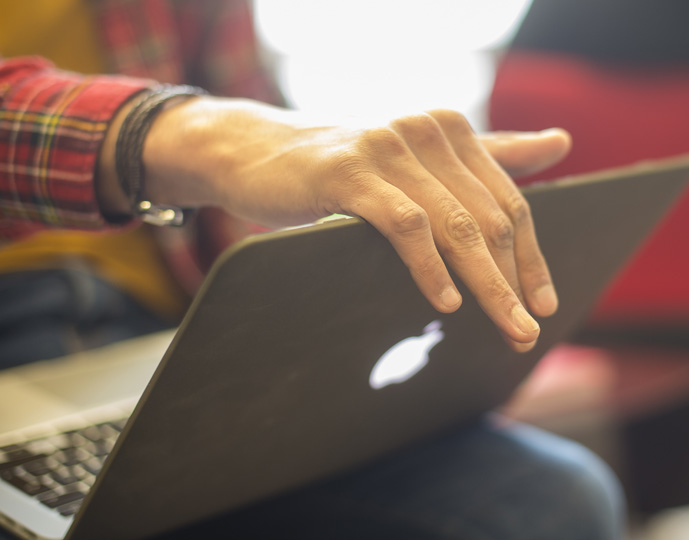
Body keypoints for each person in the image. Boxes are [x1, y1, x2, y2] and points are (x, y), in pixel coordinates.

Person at [0, 1, 625, 538]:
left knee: (546, 498)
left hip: (171, 316)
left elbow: (245, 107)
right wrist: (201, 136)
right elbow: (237, 132)